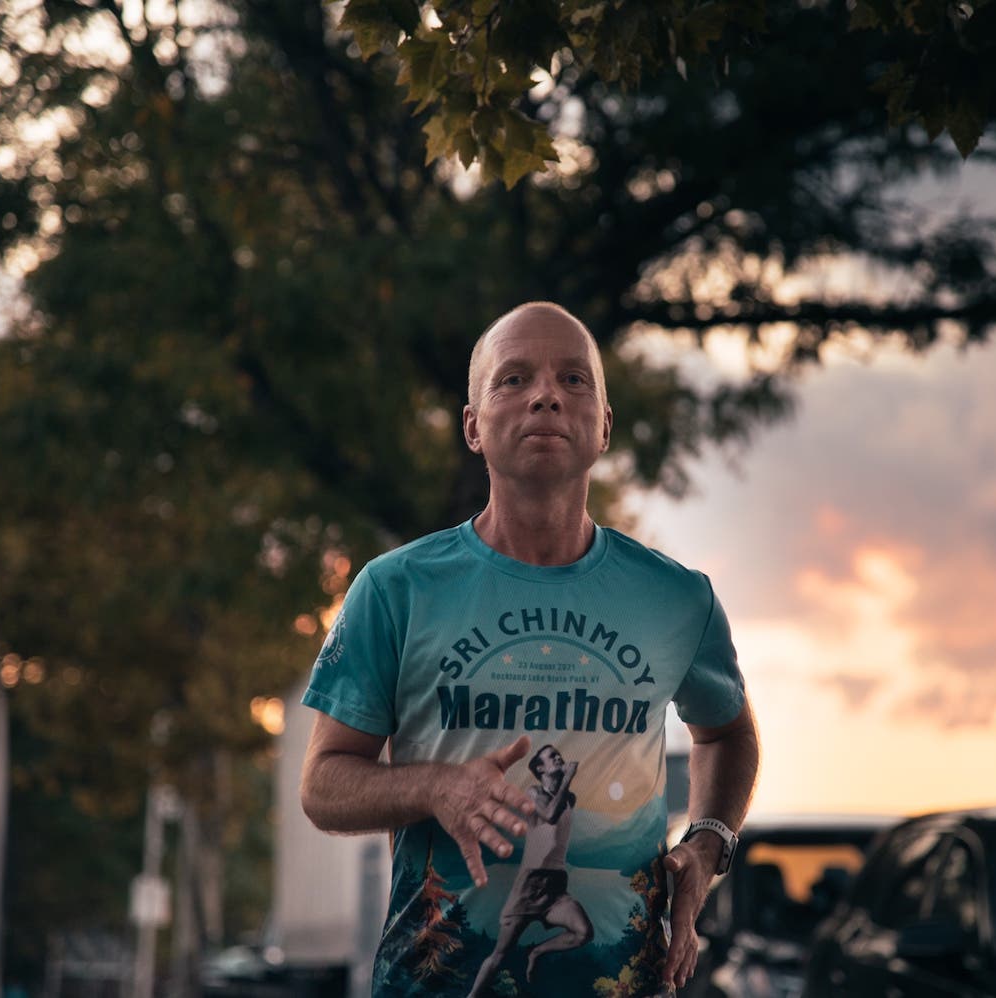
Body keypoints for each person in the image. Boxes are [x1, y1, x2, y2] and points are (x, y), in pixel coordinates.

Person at [300, 301, 759, 997]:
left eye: (574, 380)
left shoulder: (677, 599)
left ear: (603, 426)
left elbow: (727, 734)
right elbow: (323, 785)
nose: (546, 394)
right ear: (472, 427)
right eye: (513, 380)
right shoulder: (395, 589)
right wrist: (436, 786)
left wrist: (709, 843)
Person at [467, 744, 591, 996]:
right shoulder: (534, 793)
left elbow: (559, 810)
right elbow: (550, 815)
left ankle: (537, 951)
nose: (559, 757)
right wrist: (567, 777)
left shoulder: (569, 798)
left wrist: (565, 782)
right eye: (552, 757)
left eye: (559, 754)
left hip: (556, 884)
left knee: (583, 932)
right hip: (530, 885)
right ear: (540, 768)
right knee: (500, 954)